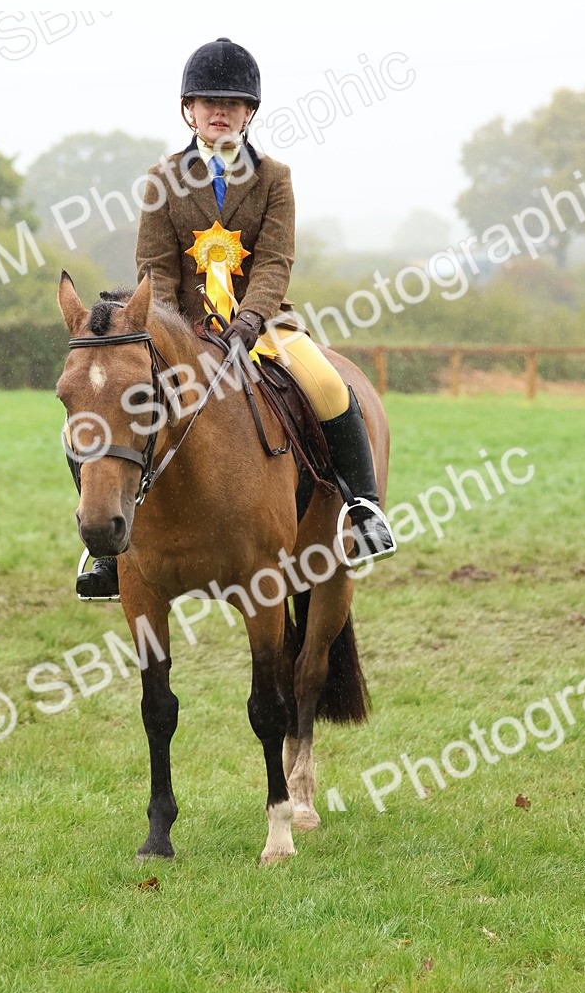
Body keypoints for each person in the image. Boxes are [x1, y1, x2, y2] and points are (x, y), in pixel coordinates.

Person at [75, 37, 395, 599]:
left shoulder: (275, 178)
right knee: (107, 407)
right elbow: (154, 267)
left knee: (327, 385)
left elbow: (274, 261)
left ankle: (362, 508)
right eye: (206, 101)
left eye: (231, 103)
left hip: (265, 325)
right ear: (188, 109)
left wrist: (248, 322)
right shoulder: (162, 179)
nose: (218, 111)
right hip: (181, 332)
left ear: (250, 112)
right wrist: (176, 330)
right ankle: (101, 548)